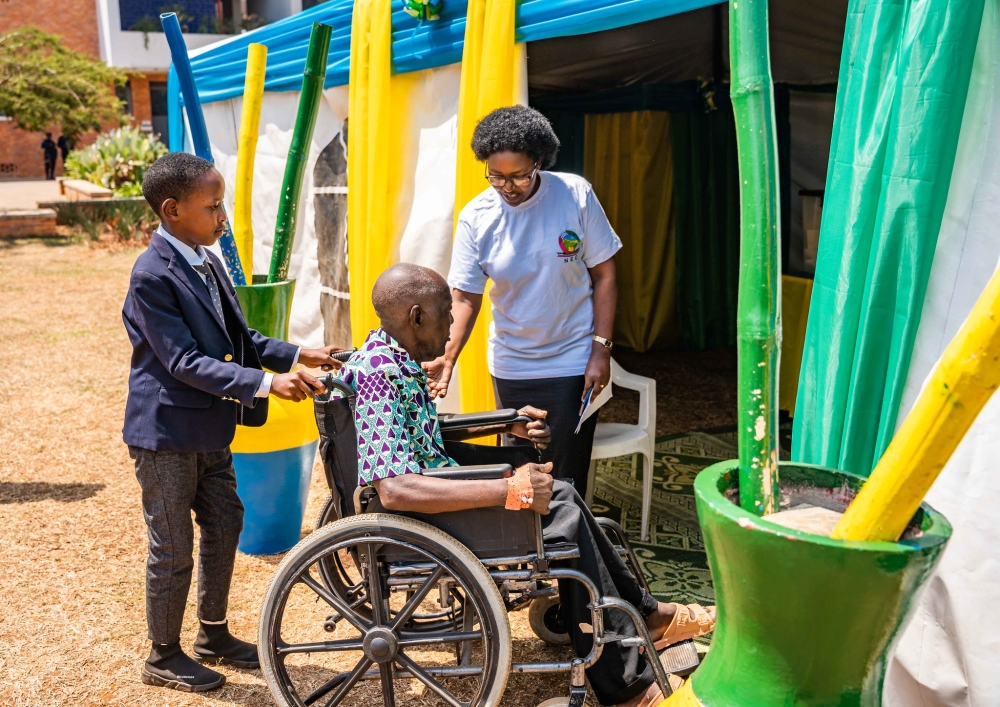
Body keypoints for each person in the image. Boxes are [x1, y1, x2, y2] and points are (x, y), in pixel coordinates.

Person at [339, 263, 715, 707]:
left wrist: (507, 424)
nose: (454, 323)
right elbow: (396, 489)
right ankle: (626, 688)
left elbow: (424, 434)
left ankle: (646, 615)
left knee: (564, 491)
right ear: (416, 316)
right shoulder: (380, 375)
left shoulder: (394, 360)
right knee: (566, 521)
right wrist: (506, 491)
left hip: (441, 488)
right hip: (425, 516)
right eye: (446, 311)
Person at [122, 152, 344, 692]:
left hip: (210, 428)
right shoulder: (152, 275)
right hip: (167, 435)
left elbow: (239, 341)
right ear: (172, 210)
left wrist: (298, 354)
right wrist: (268, 384)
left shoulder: (206, 258)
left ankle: (213, 635)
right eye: (213, 207)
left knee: (225, 524)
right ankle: (163, 654)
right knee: (172, 548)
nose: (223, 218)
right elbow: (183, 362)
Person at [424, 105, 620, 498]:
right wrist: (448, 355)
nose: (507, 186)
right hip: (512, 365)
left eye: (519, 176)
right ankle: (528, 553)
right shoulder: (477, 217)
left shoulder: (573, 195)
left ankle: (567, 548)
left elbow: (605, 275)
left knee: (565, 471)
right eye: (496, 176)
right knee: (519, 470)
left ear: (539, 163)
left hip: (572, 360)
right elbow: (465, 296)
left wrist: (601, 350)